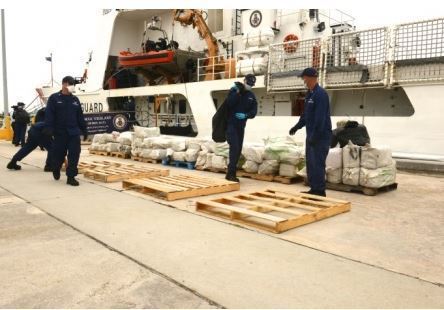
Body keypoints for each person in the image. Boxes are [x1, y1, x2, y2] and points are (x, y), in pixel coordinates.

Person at [289, 67, 332, 197]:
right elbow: (306, 116)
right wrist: (297, 126)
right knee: (311, 163)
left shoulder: (321, 94)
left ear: (311, 77)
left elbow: (321, 118)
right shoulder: (310, 94)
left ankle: (320, 191)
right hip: (311, 135)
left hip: (320, 136)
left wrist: (315, 136)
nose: (304, 80)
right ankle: (314, 188)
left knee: (318, 163)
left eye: (305, 77)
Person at [44, 76, 87, 186]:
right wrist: (49, 129)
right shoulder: (54, 98)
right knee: (59, 154)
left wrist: (84, 130)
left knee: (74, 154)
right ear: (64, 84)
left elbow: (80, 116)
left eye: (73, 85)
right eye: (70, 85)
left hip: (73, 133)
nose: (72, 87)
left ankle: (71, 177)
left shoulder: (75, 100)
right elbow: (49, 115)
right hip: (60, 133)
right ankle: (56, 168)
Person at [225, 73, 258, 182]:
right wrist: (237, 92)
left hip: (241, 127)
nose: (249, 86)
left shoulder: (251, 96)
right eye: (248, 83)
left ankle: (231, 173)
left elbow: (254, 111)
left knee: (238, 150)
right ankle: (231, 174)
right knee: (234, 148)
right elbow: (229, 103)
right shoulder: (235, 91)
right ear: (244, 81)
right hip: (231, 125)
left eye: (251, 85)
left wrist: (246, 115)